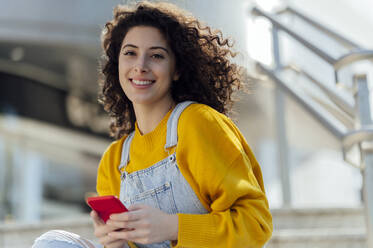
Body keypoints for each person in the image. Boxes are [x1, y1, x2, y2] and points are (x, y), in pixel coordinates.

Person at [32, 1, 272, 248]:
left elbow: (256, 225)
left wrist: (172, 227)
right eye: (130, 53)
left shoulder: (198, 123)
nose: (141, 66)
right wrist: (115, 243)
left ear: (176, 69)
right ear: (118, 66)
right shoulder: (114, 161)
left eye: (156, 55)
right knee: (52, 243)